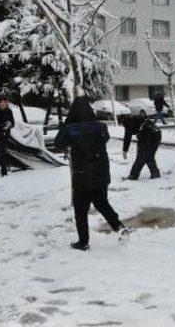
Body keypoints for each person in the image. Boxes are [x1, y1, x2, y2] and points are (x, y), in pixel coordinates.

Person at [54, 96, 128, 251]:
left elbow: (58, 143)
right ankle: (119, 227)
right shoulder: (101, 127)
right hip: (101, 173)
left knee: (80, 210)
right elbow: (105, 139)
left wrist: (67, 124)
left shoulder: (71, 129)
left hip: (82, 176)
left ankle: (83, 242)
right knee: (102, 203)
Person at [121, 112, 162, 180]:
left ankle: (133, 176)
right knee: (149, 156)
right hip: (157, 134)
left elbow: (127, 137)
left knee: (141, 157)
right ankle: (155, 174)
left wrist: (125, 150)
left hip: (150, 136)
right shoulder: (133, 119)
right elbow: (141, 136)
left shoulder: (128, 123)